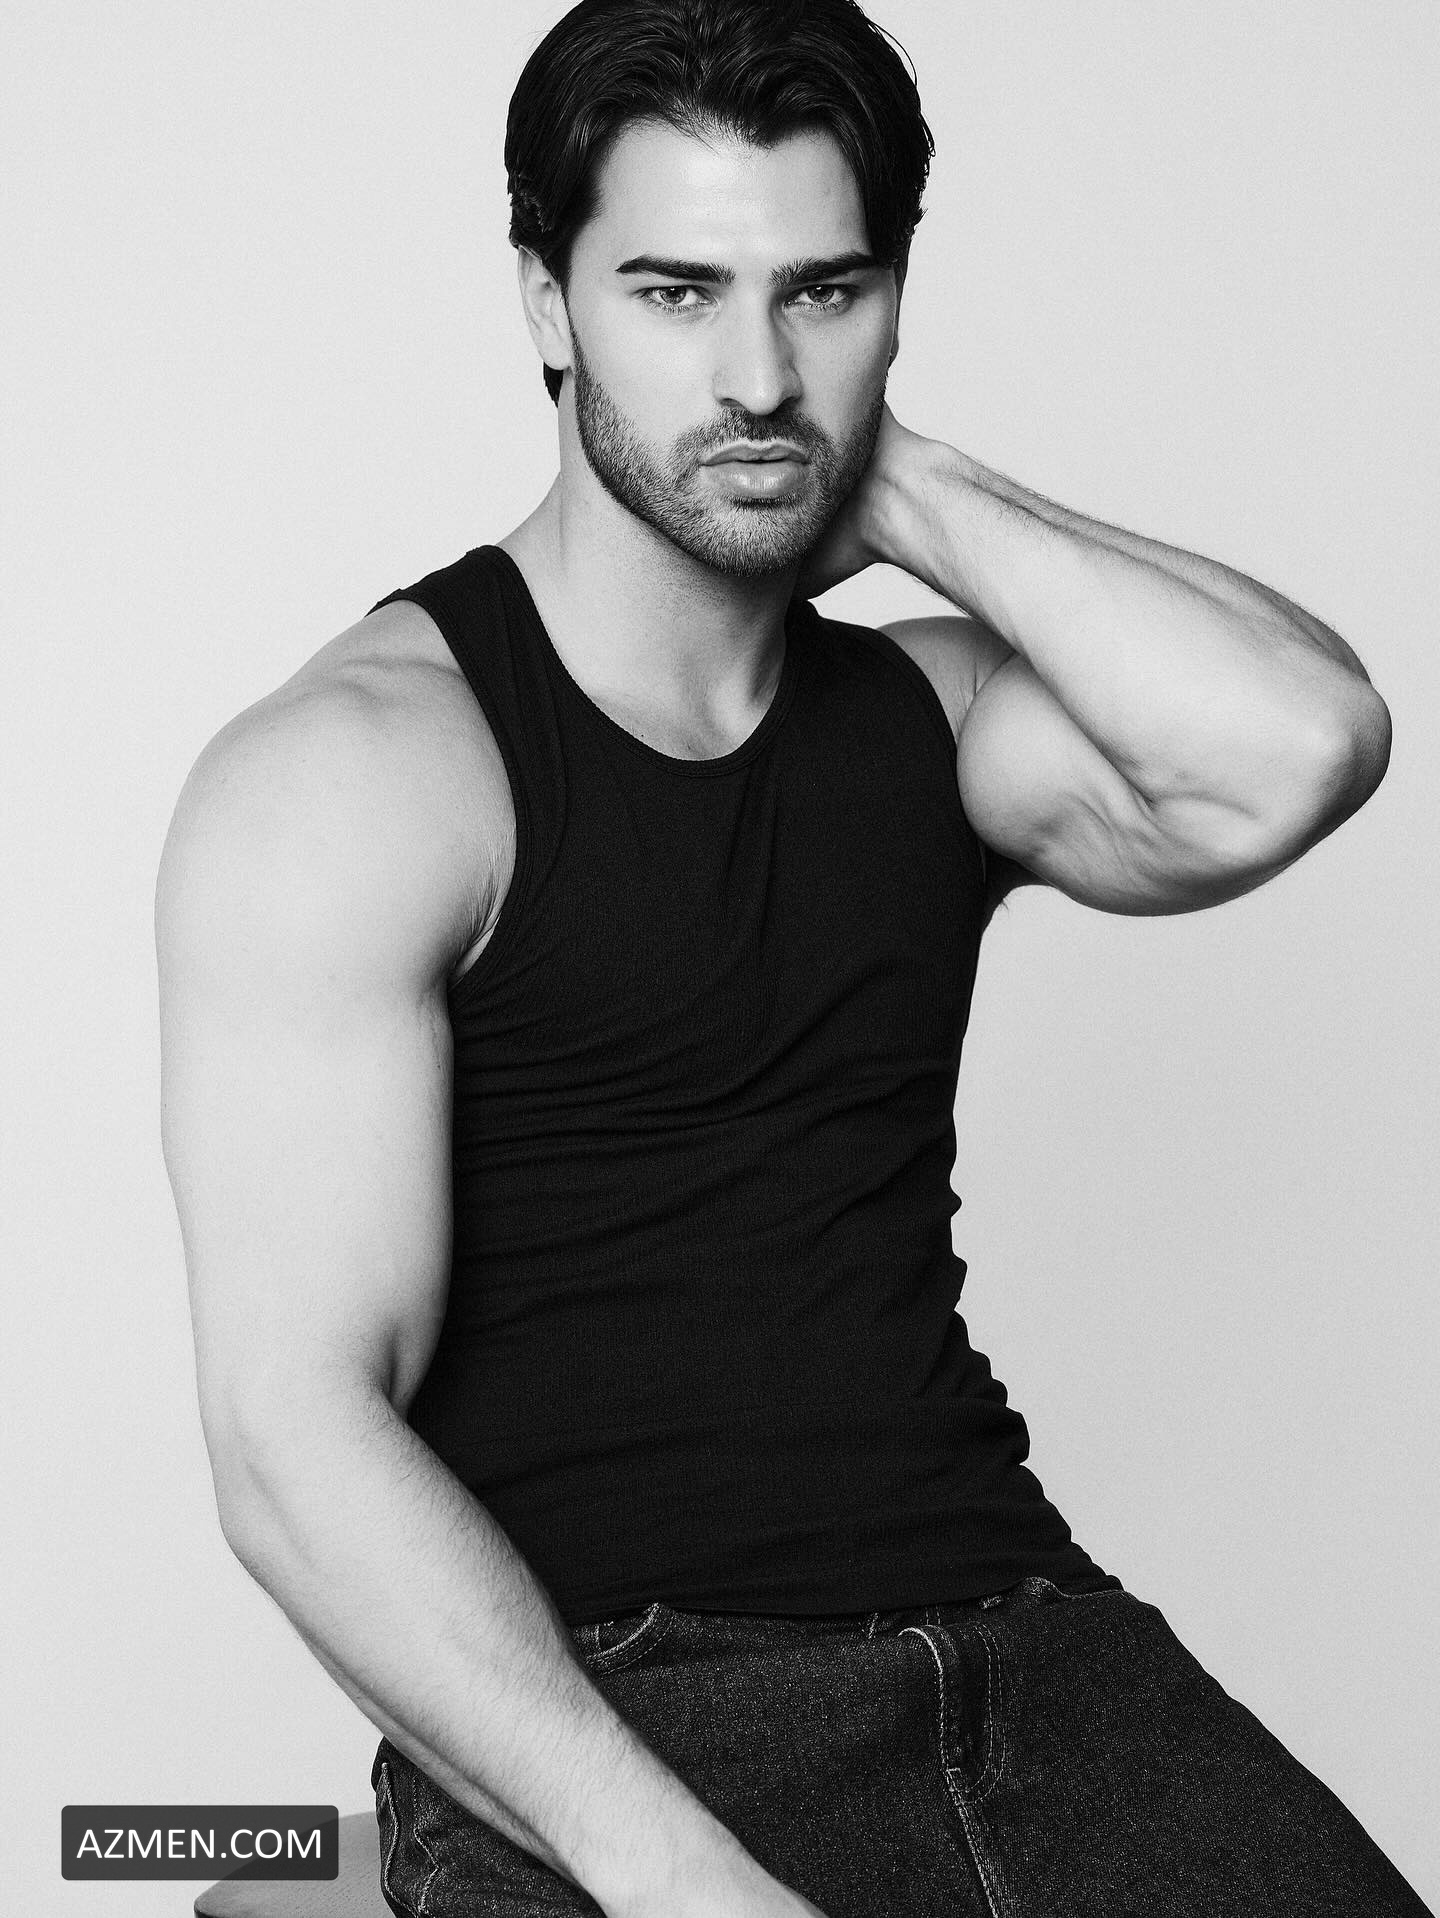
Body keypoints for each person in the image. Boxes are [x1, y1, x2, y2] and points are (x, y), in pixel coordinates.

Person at [155, 1, 1428, 1913]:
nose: (756, 374)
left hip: (1041, 1658)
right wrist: (679, 1877)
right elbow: (291, 1438)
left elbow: (1301, 744)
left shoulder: (934, 720)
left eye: (822, 292)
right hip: (624, 1709)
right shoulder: (360, 775)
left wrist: (891, 481)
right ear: (546, 302)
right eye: (675, 293)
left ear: (895, 300)